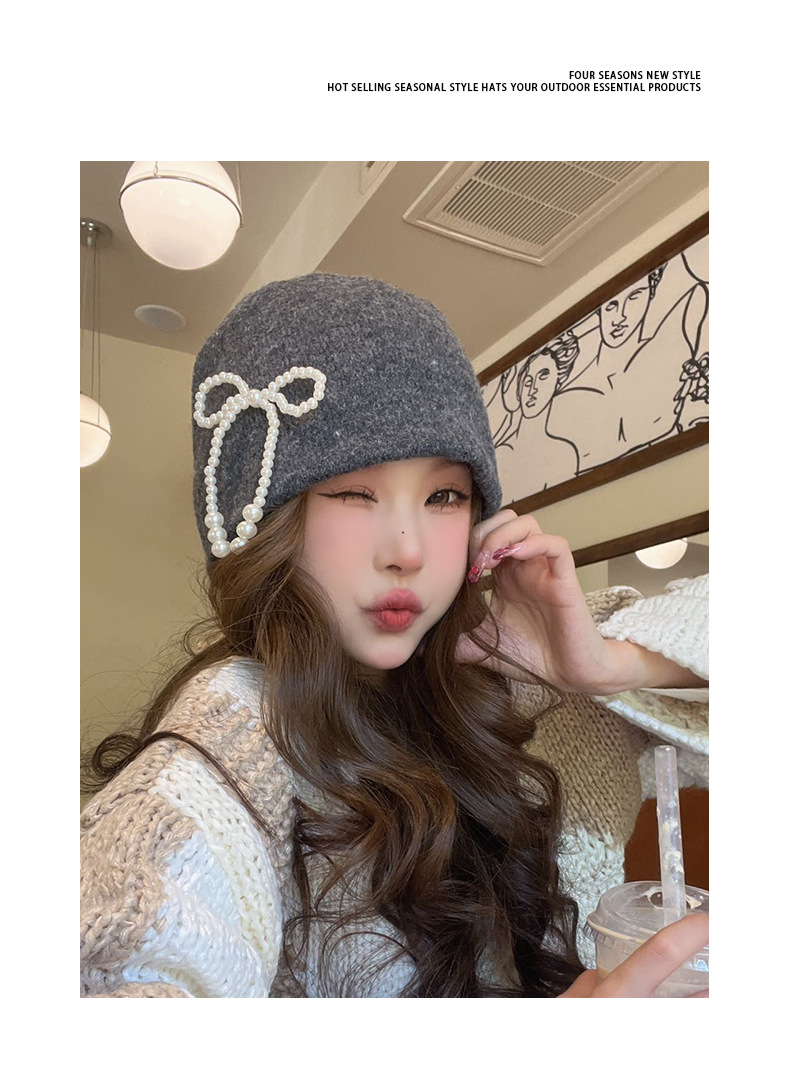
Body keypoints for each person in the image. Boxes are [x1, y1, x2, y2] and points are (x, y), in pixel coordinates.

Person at [80, 273, 709, 998]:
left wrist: (602, 666)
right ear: (264, 520)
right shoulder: (230, 745)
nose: (408, 550)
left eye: (445, 496)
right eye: (355, 492)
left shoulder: (527, 678)